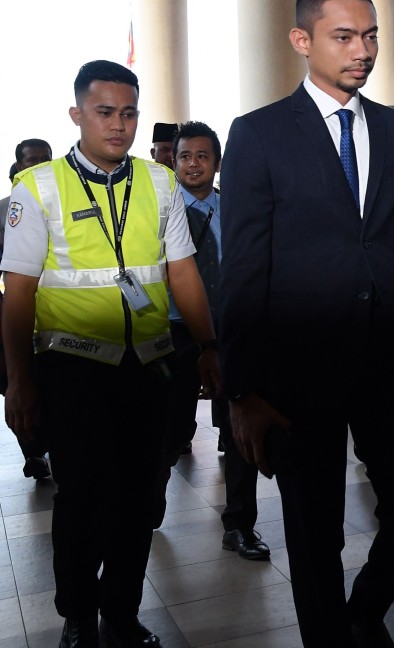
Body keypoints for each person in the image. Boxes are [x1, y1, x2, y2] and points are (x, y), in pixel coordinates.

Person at [217, 0, 394, 646]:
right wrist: (244, 389)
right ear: (302, 40)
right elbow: (243, 272)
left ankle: (362, 612)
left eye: (370, 34)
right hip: (300, 370)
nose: (363, 50)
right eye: (344, 36)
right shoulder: (258, 135)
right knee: (313, 533)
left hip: (392, 366)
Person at [1, 60, 219, 648]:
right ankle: (77, 612)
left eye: (128, 113)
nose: (118, 126)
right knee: (80, 497)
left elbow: (183, 273)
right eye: (104, 113)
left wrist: (209, 345)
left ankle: (121, 610)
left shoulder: (159, 182)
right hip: (72, 369)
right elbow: (17, 292)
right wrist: (18, 383)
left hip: (149, 368)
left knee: (140, 497)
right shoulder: (38, 186)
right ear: (77, 115)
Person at [2, 138, 52, 479]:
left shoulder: (62, 202)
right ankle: (33, 452)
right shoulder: (4, 210)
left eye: (44, 159)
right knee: (19, 383)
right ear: (18, 165)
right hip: (19, 317)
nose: (37, 165)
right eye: (31, 160)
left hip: (60, 318)